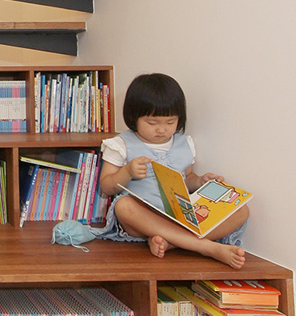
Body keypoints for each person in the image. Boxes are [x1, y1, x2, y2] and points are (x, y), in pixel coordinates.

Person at [98, 72, 248, 269]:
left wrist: (201, 181)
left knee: (241, 209)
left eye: (170, 122)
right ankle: (205, 247)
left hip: (180, 217)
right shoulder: (121, 144)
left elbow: (187, 179)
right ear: (134, 116)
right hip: (144, 218)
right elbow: (106, 186)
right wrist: (127, 172)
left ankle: (171, 242)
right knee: (123, 206)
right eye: (152, 123)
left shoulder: (184, 143)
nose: (162, 130)